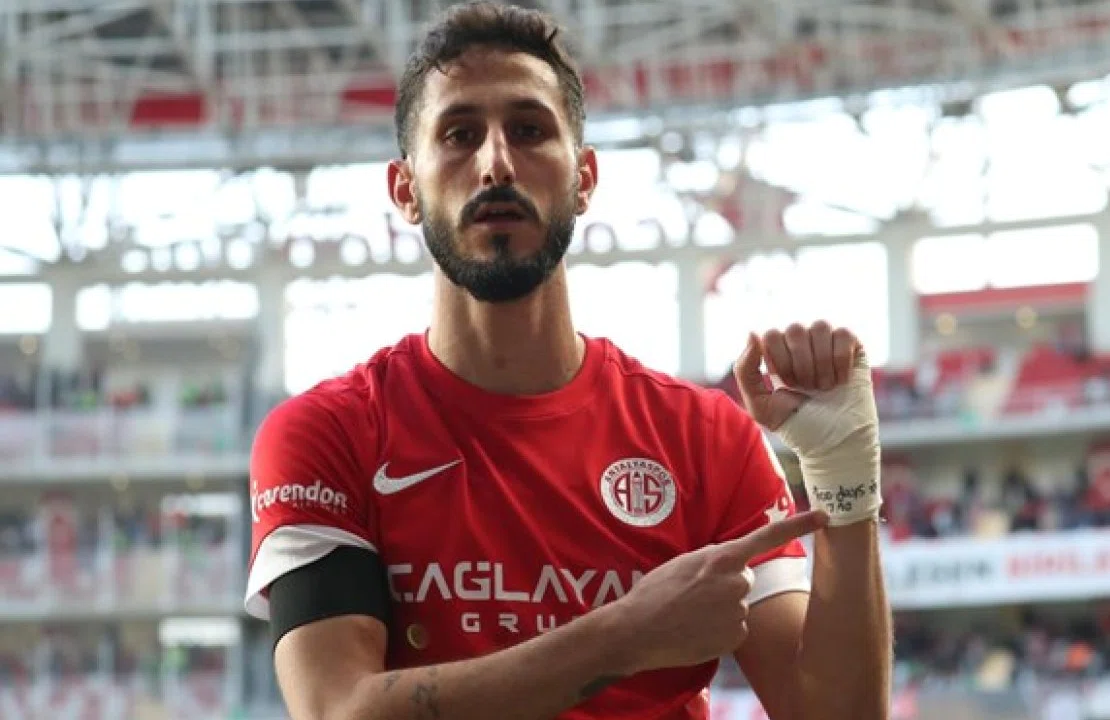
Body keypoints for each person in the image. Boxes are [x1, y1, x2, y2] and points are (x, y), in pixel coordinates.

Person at [242, 3, 891, 719]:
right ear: (406, 190)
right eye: (459, 135)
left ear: (584, 178)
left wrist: (844, 477)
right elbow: (338, 710)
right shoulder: (329, 434)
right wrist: (628, 634)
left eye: (529, 130)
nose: (496, 162)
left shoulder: (706, 439)